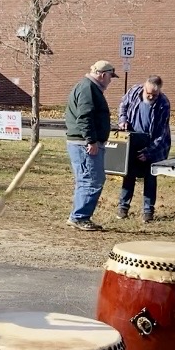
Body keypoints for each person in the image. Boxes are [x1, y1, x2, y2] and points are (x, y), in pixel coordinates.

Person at [64, 60, 117, 231]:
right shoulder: (88, 88)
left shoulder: (88, 87)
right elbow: (85, 117)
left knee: (87, 180)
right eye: (110, 77)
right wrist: (91, 141)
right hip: (84, 143)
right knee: (91, 180)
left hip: (83, 142)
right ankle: (79, 217)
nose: (110, 80)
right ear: (103, 75)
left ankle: (79, 216)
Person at [116, 75, 171, 223]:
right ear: (144, 87)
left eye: (155, 94)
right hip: (132, 138)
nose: (151, 96)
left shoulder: (163, 103)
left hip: (152, 142)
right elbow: (123, 105)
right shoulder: (134, 91)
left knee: (150, 178)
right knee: (129, 174)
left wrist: (149, 152)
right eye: (149, 94)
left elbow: (161, 133)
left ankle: (148, 211)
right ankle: (123, 207)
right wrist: (122, 120)